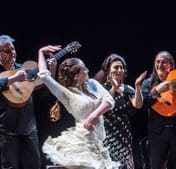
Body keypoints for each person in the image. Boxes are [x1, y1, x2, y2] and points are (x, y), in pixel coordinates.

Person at [37, 45, 120, 169]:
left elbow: (109, 101)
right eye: (84, 69)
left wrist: (92, 117)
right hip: (83, 142)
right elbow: (44, 76)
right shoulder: (66, 94)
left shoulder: (93, 84)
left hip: (99, 141)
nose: (87, 70)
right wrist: (41, 52)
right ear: (76, 76)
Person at [0, 34, 47, 169]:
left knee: (34, 165)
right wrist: (13, 79)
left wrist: (51, 69)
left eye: (13, 49)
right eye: (7, 51)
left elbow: (44, 87)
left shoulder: (25, 69)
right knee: (9, 166)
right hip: (6, 130)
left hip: (29, 127)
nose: (12, 53)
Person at [94, 53, 147, 169]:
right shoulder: (101, 88)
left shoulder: (128, 89)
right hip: (106, 135)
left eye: (121, 67)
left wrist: (137, 86)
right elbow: (102, 107)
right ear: (108, 71)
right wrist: (114, 88)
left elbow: (138, 105)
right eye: (116, 67)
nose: (119, 70)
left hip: (123, 136)